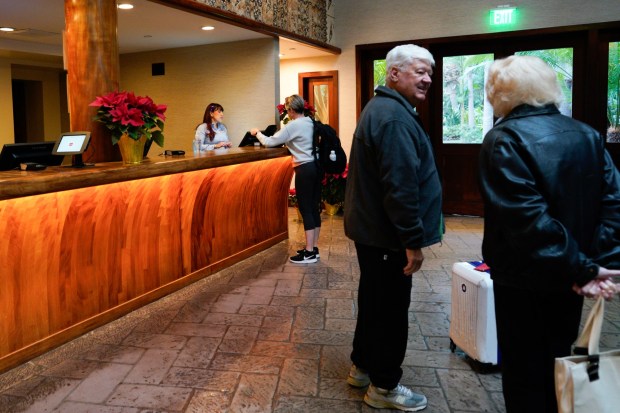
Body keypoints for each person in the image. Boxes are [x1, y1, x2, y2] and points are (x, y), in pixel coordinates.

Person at [478, 55, 620, 413]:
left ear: (500, 93)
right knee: (558, 359)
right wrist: (594, 266)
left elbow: (528, 222)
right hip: (570, 280)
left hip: (525, 281)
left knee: (525, 372)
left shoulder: (503, 139)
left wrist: (586, 270)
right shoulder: (586, 134)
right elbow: (613, 203)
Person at [343, 44, 443, 411]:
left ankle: (363, 367)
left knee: (374, 301)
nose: (427, 78)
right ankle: (384, 387)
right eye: (420, 71)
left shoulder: (383, 108)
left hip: (374, 233)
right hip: (387, 235)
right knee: (388, 310)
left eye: (430, 72)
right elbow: (400, 188)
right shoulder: (395, 118)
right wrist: (412, 241)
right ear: (394, 73)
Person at [250, 94, 321, 264]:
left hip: (304, 168)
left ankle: (309, 252)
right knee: (314, 207)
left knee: (306, 209)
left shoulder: (293, 126)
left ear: (290, 110)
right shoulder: (311, 121)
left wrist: (256, 133)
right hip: (317, 167)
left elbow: (269, 142)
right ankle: (314, 249)